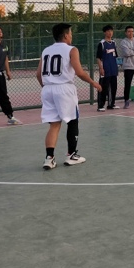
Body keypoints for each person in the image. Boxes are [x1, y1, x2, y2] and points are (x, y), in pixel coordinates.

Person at [36, 23, 102, 169]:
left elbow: (38, 74)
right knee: (72, 121)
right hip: (64, 89)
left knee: (54, 124)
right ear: (66, 35)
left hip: (47, 89)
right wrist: (93, 82)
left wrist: (47, 88)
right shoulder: (72, 49)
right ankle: (71, 155)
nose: (71, 36)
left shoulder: (46, 50)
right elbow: (79, 72)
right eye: (70, 33)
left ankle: (49, 158)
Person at [95, 25, 119, 111]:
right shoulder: (101, 44)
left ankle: (111, 104)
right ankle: (100, 105)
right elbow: (98, 58)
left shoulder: (114, 43)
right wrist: (101, 68)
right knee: (103, 87)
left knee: (113, 87)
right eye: (108, 31)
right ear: (104, 32)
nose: (110, 33)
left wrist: (117, 66)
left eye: (111, 31)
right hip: (105, 69)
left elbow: (115, 56)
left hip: (113, 69)